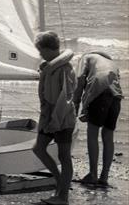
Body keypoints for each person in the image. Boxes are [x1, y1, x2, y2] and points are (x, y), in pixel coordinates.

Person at [32, 31, 77, 205]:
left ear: (49, 49)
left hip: (62, 118)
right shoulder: (50, 66)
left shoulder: (64, 69)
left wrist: (55, 121)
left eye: (41, 50)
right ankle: (60, 182)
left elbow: (65, 99)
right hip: (48, 116)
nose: (40, 54)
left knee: (64, 156)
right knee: (38, 148)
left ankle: (63, 197)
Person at [73, 50, 122, 187]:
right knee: (108, 135)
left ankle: (92, 174)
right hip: (116, 96)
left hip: (100, 93)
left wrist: (76, 104)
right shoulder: (112, 63)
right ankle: (104, 176)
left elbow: (80, 79)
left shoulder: (86, 57)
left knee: (92, 134)